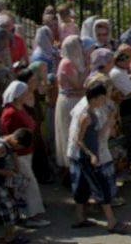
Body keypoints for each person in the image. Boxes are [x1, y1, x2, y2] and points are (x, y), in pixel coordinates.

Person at [67, 81, 126, 233]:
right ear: (96, 97)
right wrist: (92, 155)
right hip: (88, 158)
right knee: (102, 188)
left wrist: (110, 119)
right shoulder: (85, 115)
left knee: (82, 187)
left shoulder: (92, 111)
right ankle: (111, 222)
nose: (105, 101)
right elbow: (78, 139)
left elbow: (99, 133)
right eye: (103, 98)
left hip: (87, 157)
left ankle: (80, 217)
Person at [0, 81, 49, 227]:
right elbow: (11, 140)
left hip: (26, 153)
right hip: (18, 156)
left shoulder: (19, 108)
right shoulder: (10, 113)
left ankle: (30, 215)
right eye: (25, 92)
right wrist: (15, 162)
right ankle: (28, 217)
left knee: (27, 185)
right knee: (27, 186)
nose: (28, 94)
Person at [54, 35, 87, 171]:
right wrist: (86, 71)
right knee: (70, 133)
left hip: (72, 100)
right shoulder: (67, 63)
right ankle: (70, 167)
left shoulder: (69, 62)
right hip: (69, 102)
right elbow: (78, 85)